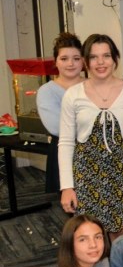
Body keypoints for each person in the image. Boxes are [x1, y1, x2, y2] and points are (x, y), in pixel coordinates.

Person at [58, 34, 123, 233]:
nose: (100, 62)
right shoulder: (73, 95)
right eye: (93, 57)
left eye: (106, 56)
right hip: (86, 175)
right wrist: (67, 186)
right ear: (85, 61)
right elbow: (65, 142)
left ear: (115, 58)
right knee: (90, 233)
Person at [36, 33, 83, 194]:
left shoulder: (94, 85)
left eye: (76, 58)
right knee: (73, 205)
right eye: (64, 59)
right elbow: (56, 127)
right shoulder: (47, 91)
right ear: (56, 61)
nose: (70, 63)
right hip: (66, 154)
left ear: (83, 60)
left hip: (99, 153)